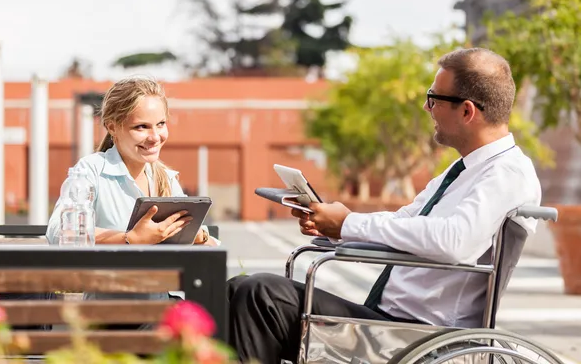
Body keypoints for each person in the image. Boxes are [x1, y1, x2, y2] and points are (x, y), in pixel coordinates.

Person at [226, 47, 542, 363]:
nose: (426, 106)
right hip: (391, 325)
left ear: (467, 111)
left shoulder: (507, 172)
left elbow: (455, 241)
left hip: (420, 336)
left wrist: (348, 223)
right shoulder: (465, 170)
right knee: (233, 290)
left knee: (260, 295)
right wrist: (337, 225)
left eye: (433, 98)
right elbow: (407, 218)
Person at [46, 76, 219, 303]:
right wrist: (130, 240)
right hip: (119, 301)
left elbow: (209, 245)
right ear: (112, 127)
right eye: (141, 127)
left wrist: (199, 235)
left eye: (161, 124)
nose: (155, 137)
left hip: (166, 296)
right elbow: (59, 232)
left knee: (251, 292)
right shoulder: (91, 170)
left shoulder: (164, 178)